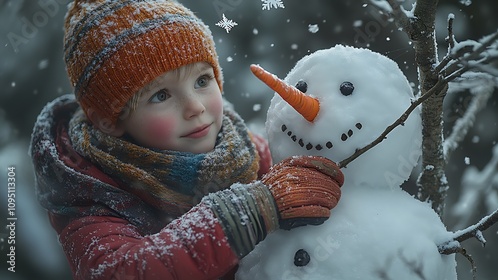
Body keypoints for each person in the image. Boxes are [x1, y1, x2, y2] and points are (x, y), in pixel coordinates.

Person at [29, 1, 344, 279]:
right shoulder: (91, 195)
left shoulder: (245, 152)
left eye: (202, 80)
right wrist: (249, 212)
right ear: (109, 121)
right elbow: (120, 270)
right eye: (161, 95)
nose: (195, 106)